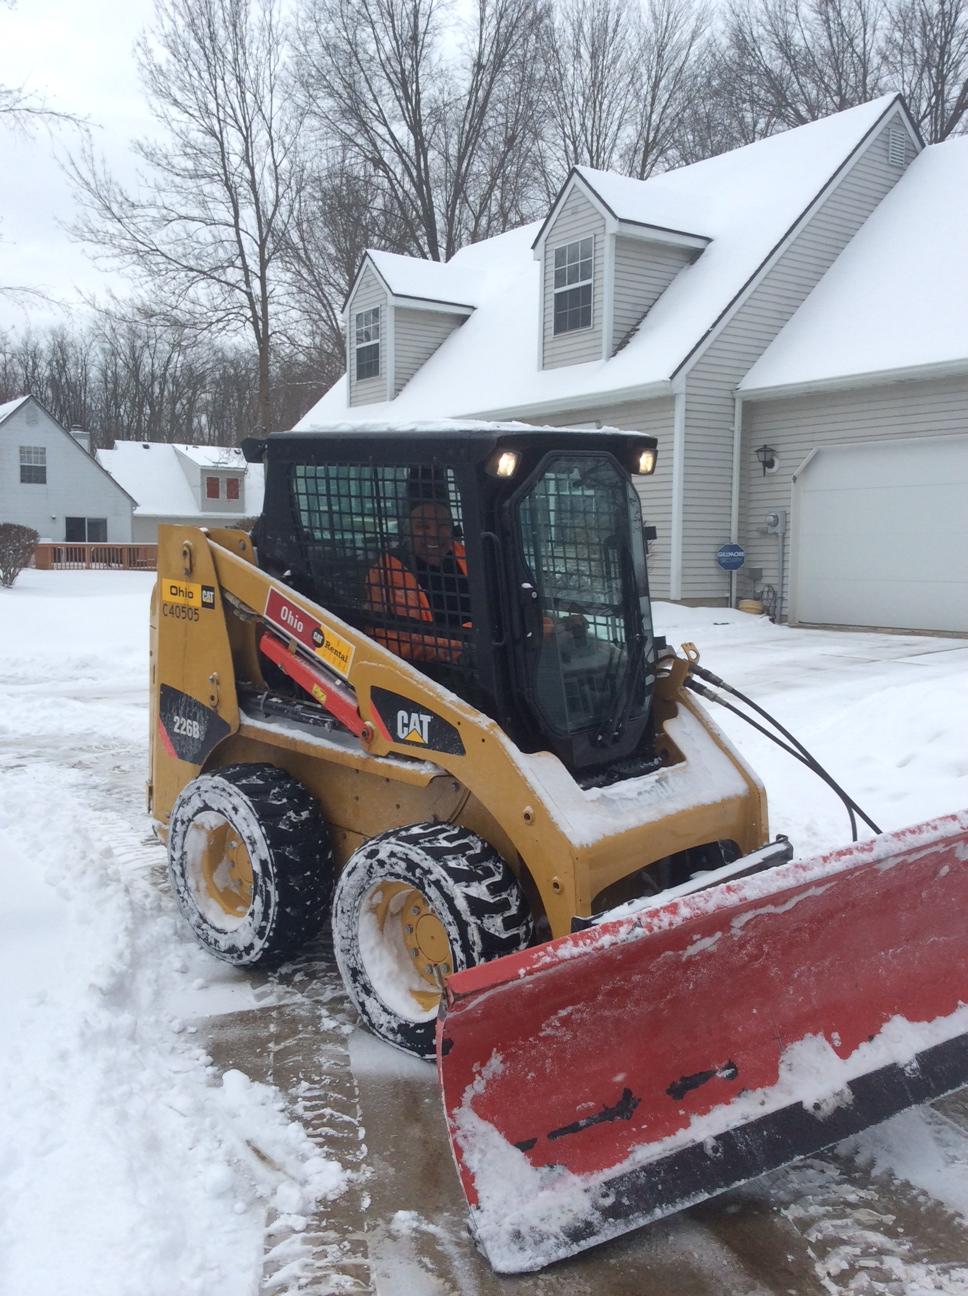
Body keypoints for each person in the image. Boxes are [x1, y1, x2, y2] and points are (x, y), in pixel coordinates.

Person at [365, 500, 471, 664]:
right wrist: (461, 645)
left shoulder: (462, 554)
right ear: (408, 532)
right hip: (430, 670)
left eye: (443, 525)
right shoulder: (387, 571)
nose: (434, 534)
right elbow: (388, 638)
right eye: (423, 526)